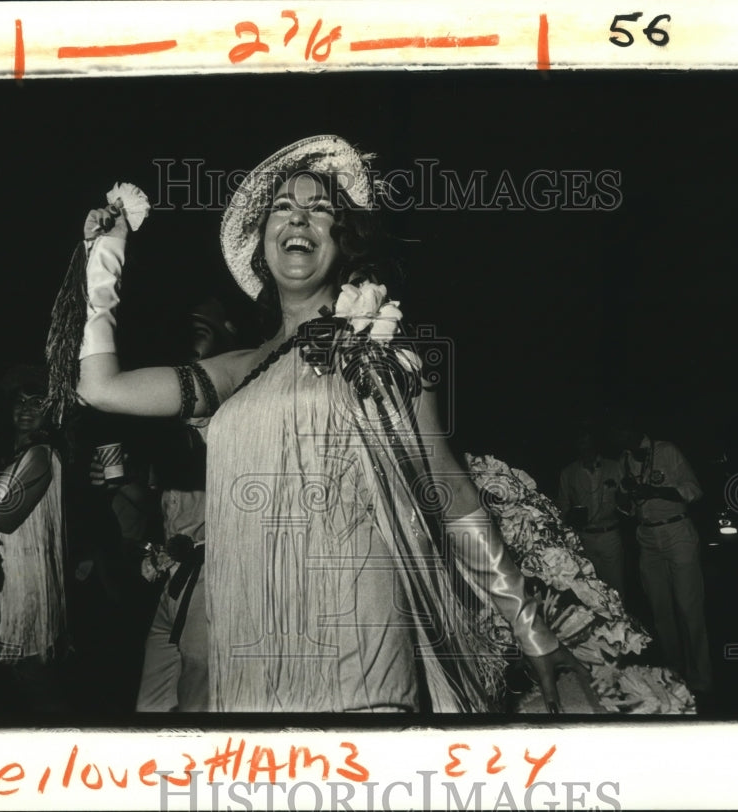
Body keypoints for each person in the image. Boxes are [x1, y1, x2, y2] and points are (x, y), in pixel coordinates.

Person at [74, 135, 587, 713]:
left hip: (357, 645)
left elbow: (447, 488)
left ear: (342, 242)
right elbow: (101, 388)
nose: (300, 218)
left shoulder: (377, 344)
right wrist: (106, 255)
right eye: (283, 208)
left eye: (320, 208)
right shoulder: (239, 369)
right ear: (262, 242)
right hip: (251, 649)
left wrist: (531, 627)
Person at [132, 298, 238, 712]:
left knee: (197, 704)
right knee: (151, 705)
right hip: (173, 578)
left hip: (213, 581)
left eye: (199, 329)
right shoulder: (171, 415)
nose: (186, 340)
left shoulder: (233, 408)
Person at [0, 369, 67, 711]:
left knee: (30, 673)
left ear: (49, 412)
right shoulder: (8, 453)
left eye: (37, 403)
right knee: (18, 677)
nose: (27, 409)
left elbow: (4, 518)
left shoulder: (39, 454)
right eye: (20, 402)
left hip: (25, 574)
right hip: (10, 568)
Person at [610, 416, 713, 695]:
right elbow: (629, 508)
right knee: (660, 610)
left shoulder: (667, 451)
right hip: (646, 537)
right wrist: (623, 501)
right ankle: (675, 672)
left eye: (619, 430)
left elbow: (694, 490)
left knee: (688, 607)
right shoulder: (623, 461)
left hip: (677, 531)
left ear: (632, 428)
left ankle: (702, 676)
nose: (616, 437)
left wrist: (657, 490)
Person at [555, 426, 625, 597]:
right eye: (580, 443)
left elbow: (626, 499)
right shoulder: (568, 473)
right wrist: (570, 518)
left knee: (616, 588)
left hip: (610, 535)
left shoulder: (614, 467)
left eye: (587, 442)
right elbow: (562, 506)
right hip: (583, 537)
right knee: (590, 589)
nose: (584, 447)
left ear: (595, 443)